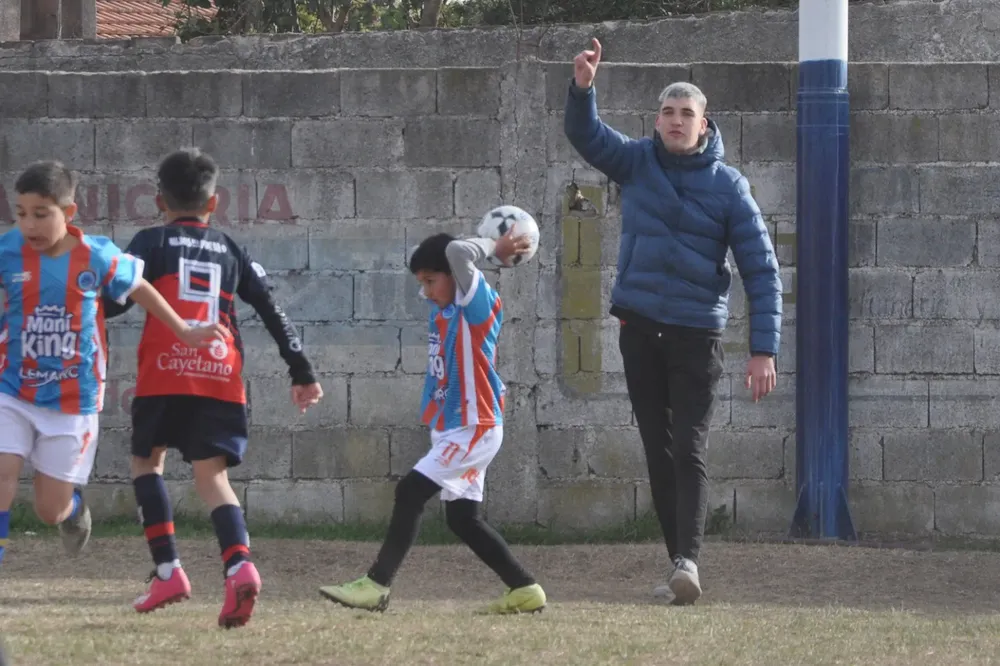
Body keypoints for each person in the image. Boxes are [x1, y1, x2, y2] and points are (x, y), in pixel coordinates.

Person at [564, 39, 783, 605]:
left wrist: (764, 350)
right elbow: (587, 137)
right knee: (656, 452)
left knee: (688, 447)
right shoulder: (636, 162)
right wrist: (583, 89)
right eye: (668, 113)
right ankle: (677, 562)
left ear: (704, 123)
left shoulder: (728, 186)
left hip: (695, 334)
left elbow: (761, 270)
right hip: (639, 330)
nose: (676, 121)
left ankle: (689, 559)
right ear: (656, 122)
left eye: (687, 113)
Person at [101, 148, 324, 629]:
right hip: (219, 374)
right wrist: (301, 371)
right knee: (212, 479)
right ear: (214, 202)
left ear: (159, 200)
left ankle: (168, 571)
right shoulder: (231, 250)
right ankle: (240, 564)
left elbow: (114, 300)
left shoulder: (150, 241)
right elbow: (271, 309)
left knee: (147, 462)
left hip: (164, 372)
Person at [0, 160, 226, 569]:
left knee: (49, 510)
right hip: (12, 389)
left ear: (68, 214)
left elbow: (140, 287)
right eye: (20, 213)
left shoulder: (96, 255)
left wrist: (184, 330)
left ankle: (73, 510)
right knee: (2, 473)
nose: (28, 225)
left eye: (40, 214)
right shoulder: (8, 252)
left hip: (73, 400)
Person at [317, 230, 546, 615]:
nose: (425, 291)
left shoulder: (477, 304)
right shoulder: (444, 311)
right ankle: (525, 589)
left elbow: (458, 250)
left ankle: (376, 585)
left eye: (430, 280)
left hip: (476, 426)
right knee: (462, 519)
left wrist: (494, 246)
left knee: (409, 493)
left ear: (456, 275)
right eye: (420, 282)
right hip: (456, 428)